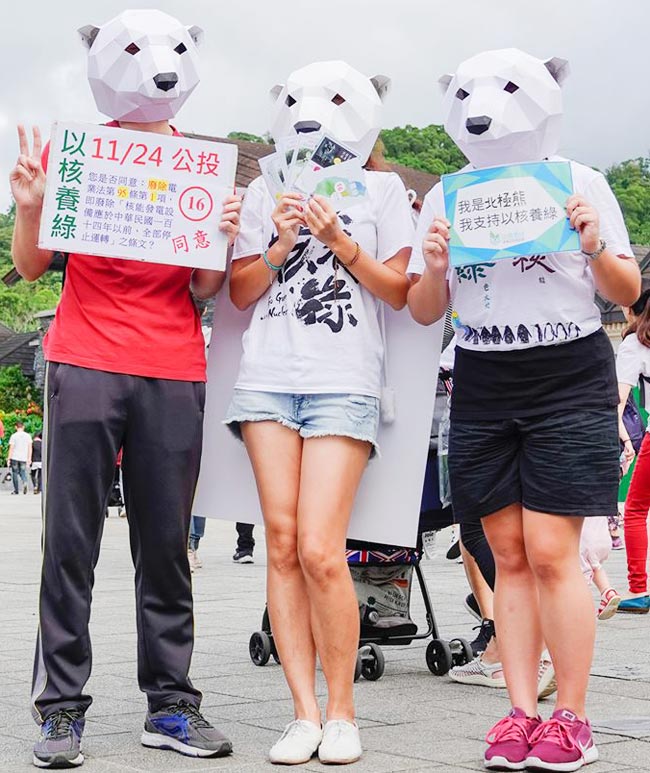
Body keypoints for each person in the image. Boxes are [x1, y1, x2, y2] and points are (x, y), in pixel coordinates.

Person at [10, 10, 240, 769]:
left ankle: (170, 703)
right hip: (84, 357)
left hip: (173, 362)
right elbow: (35, 266)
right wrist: (34, 199)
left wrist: (225, 230)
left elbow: (206, 285)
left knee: (167, 543)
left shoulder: (202, 165)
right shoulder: (78, 151)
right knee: (69, 541)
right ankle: (60, 710)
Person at [407, 48, 640, 772]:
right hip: (482, 375)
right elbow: (422, 310)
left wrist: (593, 242)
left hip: (567, 373)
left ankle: (572, 716)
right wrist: (438, 268)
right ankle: (519, 713)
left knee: (550, 551)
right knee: (505, 553)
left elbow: (627, 291)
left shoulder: (580, 181)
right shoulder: (446, 194)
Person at [223, 60, 414, 765]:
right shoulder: (263, 186)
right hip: (268, 377)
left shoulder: (386, 188)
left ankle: (343, 712)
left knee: (319, 548)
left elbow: (398, 291)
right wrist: (277, 243)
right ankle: (301, 710)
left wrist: (340, 240)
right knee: (278, 542)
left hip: (345, 379)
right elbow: (239, 293)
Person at [615, 288, 650, 613]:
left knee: (636, 511)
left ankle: (639, 589)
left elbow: (618, 399)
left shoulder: (635, 344)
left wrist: (623, 439)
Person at [579, 518, 621, 619]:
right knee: (595, 566)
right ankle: (608, 592)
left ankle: (583, 611)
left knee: (581, 577)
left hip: (584, 541)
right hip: (603, 539)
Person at [8, 421, 32, 495]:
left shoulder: (13, 436)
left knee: (15, 473)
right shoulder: (28, 436)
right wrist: (29, 458)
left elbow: (11, 448)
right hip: (24, 458)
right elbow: (30, 448)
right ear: (23, 427)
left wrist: (9, 458)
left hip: (15, 457)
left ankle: (16, 490)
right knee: (22, 471)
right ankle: (24, 482)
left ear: (16, 427)